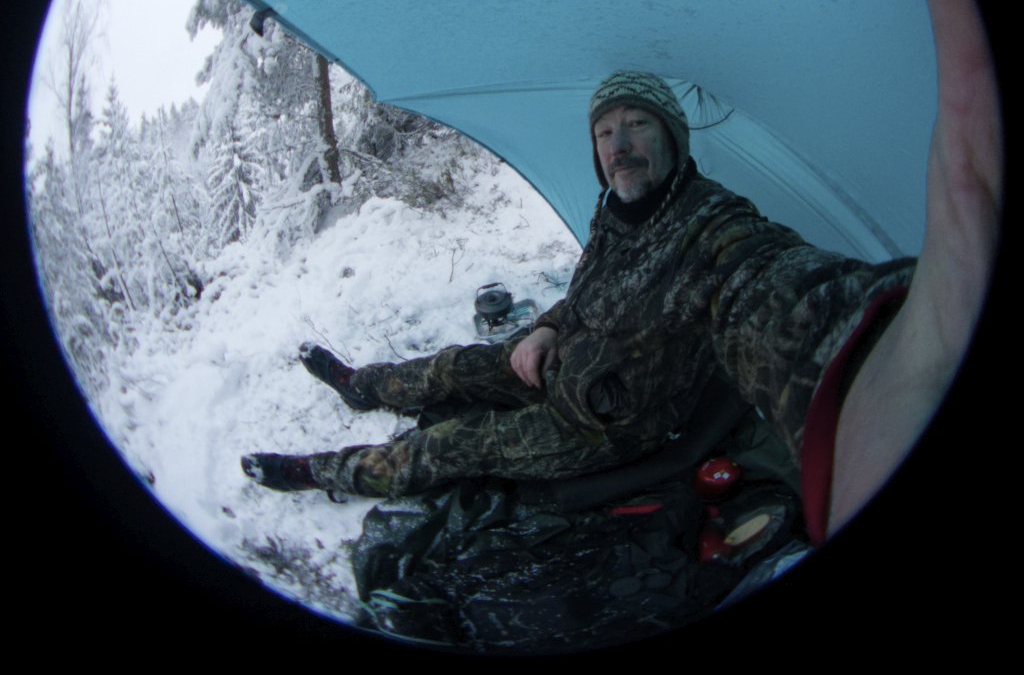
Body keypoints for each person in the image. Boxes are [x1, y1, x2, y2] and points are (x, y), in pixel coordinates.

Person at [243, 70, 918, 540]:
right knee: (452, 368)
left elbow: (770, 283)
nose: (619, 146)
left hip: (600, 424)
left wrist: (866, 340)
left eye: (637, 125)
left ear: (672, 138)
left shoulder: (714, 226)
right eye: (605, 132)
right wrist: (544, 328)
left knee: (447, 445)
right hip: (559, 360)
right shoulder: (613, 212)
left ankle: (320, 471)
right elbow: (586, 295)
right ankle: (361, 386)